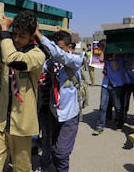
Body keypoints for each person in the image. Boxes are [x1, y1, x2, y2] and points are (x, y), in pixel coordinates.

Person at [0, 10, 45, 172]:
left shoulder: (36, 55)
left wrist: (4, 32)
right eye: (14, 34)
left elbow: (12, 60)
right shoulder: (6, 50)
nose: (16, 39)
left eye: (21, 36)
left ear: (31, 36)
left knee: (22, 168)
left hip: (22, 124)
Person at [34, 28, 82, 172]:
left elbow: (59, 54)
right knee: (55, 150)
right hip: (54, 113)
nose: (56, 52)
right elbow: (36, 67)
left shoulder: (74, 61)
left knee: (61, 154)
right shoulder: (51, 64)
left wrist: (38, 34)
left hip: (69, 115)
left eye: (60, 48)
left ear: (69, 47)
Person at [92, 39, 125, 135]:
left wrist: (113, 56)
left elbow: (115, 68)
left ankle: (119, 123)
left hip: (116, 83)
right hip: (106, 83)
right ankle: (100, 125)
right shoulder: (105, 55)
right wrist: (103, 51)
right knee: (103, 106)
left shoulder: (117, 56)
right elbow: (101, 59)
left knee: (118, 106)